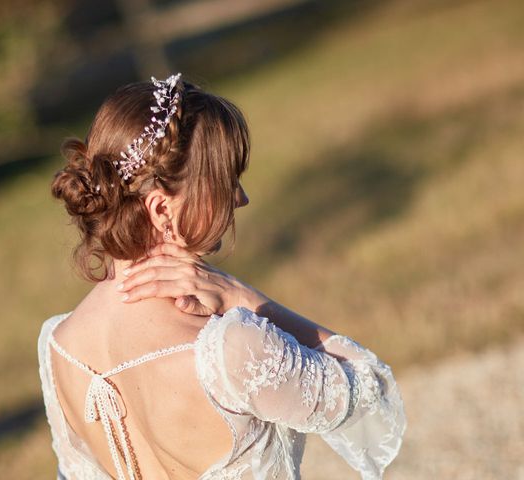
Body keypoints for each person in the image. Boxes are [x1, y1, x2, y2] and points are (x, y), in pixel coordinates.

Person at [38, 73, 406, 480]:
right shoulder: (229, 349)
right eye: (223, 181)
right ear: (162, 211)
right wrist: (241, 296)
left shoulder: (59, 347)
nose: (240, 198)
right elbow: (370, 388)